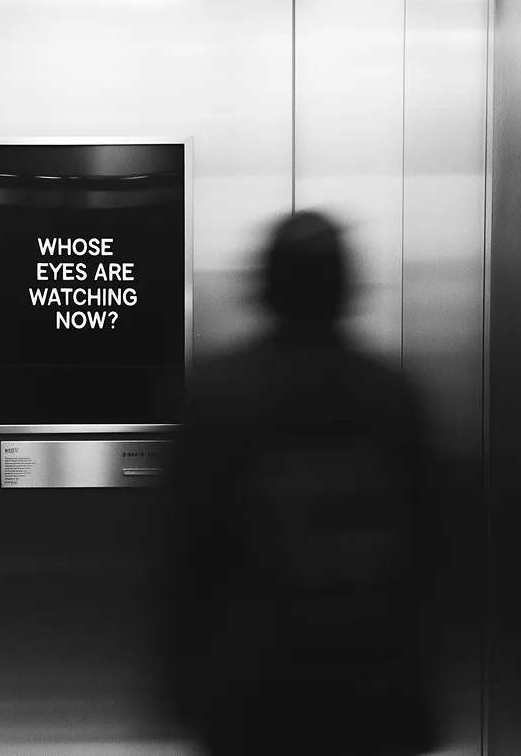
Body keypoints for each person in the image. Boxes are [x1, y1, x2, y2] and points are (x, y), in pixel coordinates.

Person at [157, 210, 439, 756]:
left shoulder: (219, 397)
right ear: (345, 288)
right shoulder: (391, 395)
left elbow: (187, 557)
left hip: (254, 691)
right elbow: (428, 554)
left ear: (265, 288)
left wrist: (187, 689)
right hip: (369, 689)